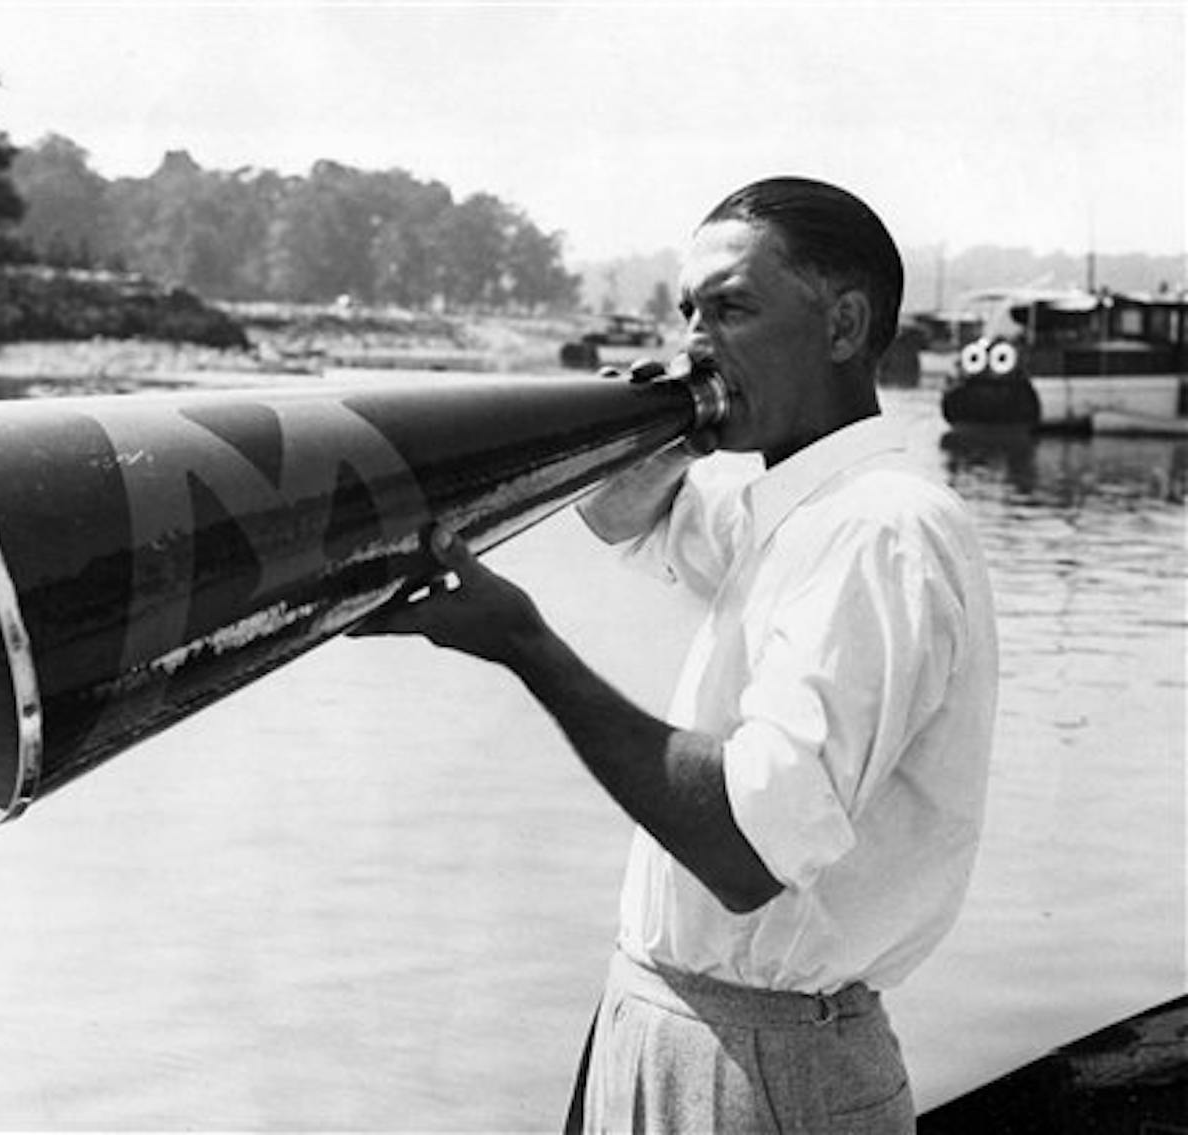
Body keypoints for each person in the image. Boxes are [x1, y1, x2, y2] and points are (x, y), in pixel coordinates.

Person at [355, 176, 998, 1133]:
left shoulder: (879, 529)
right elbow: (622, 510)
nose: (696, 341)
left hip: (769, 1061)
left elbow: (744, 848)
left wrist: (526, 645)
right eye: (687, 311)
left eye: (731, 309)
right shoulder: (782, 508)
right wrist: (656, 419)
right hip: (663, 1012)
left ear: (843, 324)